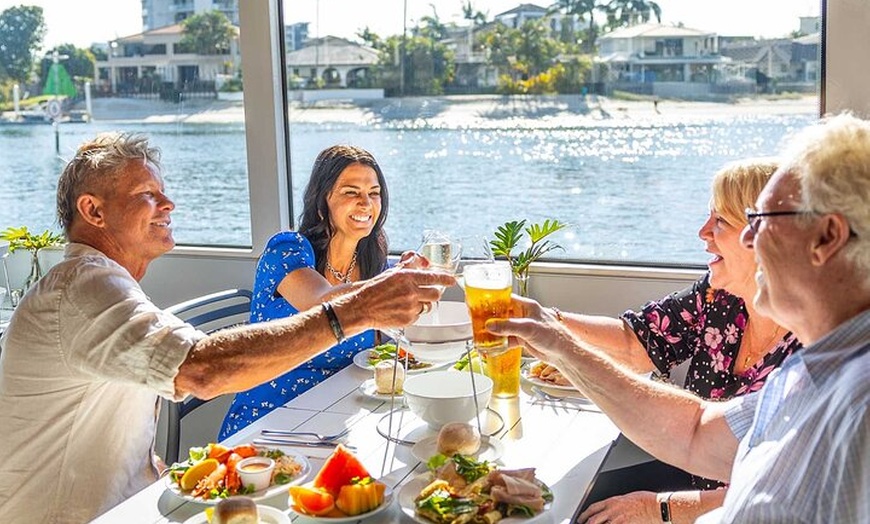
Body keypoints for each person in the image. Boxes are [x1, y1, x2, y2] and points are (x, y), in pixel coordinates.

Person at [0, 132, 454, 524]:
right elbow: (201, 370)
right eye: (147, 194)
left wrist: (170, 478)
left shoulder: (105, 286)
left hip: (127, 506)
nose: (169, 203)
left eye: (164, 192)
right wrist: (356, 310)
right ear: (93, 211)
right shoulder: (82, 288)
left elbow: (117, 439)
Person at [488, 112, 869, 523]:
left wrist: (662, 509)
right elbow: (694, 431)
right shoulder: (805, 374)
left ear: (827, 237)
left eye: (761, 220)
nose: (746, 238)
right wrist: (557, 341)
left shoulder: (858, 403)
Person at [537, 158, 800, 522]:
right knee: (555, 498)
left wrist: (658, 508)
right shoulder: (719, 297)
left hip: (734, 508)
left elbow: (774, 487)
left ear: (762, 239)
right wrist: (549, 322)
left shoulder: (810, 354)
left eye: (719, 221)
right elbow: (637, 342)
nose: (702, 232)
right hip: (686, 472)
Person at [220, 144, 400, 438]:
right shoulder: (287, 248)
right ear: (322, 200)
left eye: (374, 193)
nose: (366, 203)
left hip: (340, 416)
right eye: (351, 192)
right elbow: (320, 304)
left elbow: (383, 347)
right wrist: (397, 283)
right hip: (269, 421)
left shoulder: (374, 262)